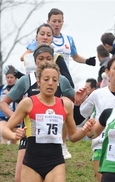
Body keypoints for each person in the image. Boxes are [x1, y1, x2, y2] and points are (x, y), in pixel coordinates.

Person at [21, 23, 75, 159]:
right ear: (36, 37)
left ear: (53, 38)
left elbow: (67, 80)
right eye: (42, 34)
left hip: (53, 94)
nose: (45, 37)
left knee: (60, 108)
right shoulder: (27, 56)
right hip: (32, 97)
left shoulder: (57, 57)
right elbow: (24, 77)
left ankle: (61, 144)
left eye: (48, 35)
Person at [25, 8, 96, 68]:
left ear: (63, 22)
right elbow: (24, 57)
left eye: (59, 21)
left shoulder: (69, 39)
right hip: (48, 77)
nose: (57, 24)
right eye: (54, 21)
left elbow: (75, 57)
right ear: (48, 21)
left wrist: (87, 61)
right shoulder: (43, 38)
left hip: (64, 77)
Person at [0, 65, 21, 144]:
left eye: (11, 77)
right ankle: (0, 154)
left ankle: (11, 155)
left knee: (13, 139)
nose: (9, 79)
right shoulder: (2, 88)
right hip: (2, 116)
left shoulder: (18, 88)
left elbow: (21, 101)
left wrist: (10, 95)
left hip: (13, 116)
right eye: (8, 77)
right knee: (4, 134)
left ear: (15, 78)